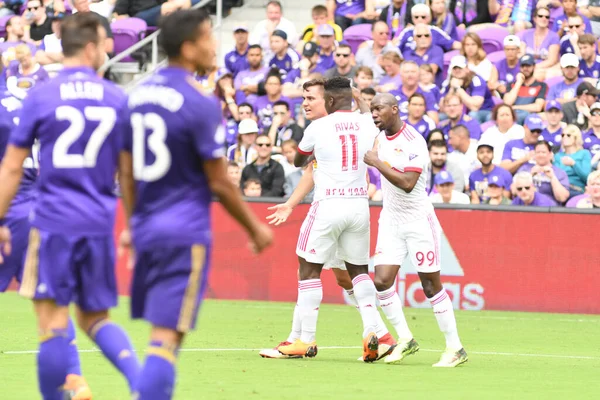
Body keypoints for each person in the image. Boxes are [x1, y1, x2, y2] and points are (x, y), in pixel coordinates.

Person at [119, 9, 273, 398]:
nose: (213, 45)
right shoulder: (200, 102)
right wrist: (255, 228)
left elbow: (126, 172)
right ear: (188, 48)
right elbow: (220, 182)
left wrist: (134, 225)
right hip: (183, 230)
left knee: (164, 337)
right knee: (166, 339)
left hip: (149, 227)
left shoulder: (136, 96)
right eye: (207, 37)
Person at [0, 12, 140, 399]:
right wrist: (133, 224)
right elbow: (127, 174)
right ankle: (140, 382)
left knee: (51, 322)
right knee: (96, 317)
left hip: (52, 220)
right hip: (98, 220)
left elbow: (12, 166)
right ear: (92, 48)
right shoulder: (116, 97)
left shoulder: (42, 95)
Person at [260, 78, 396, 361]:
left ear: (329, 100)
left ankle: (304, 341)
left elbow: (302, 164)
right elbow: (314, 170)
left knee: (308, 271)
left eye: (311, 98)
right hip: (359, 206)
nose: (306, 103)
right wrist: (290, 203)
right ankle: (377, 334)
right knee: (356, 273)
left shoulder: (317, 128)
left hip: (328, 206)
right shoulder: (366, 123)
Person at [365, 92, 468, 367]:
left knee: (430, 286)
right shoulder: (379, 137)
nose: (374, 114)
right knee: (382, 281)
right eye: (372, 109)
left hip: (418, 220)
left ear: (395, 110)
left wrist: (376, 162)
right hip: (390, 219)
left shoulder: (414, 142)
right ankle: (406, 338)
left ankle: (455, 347)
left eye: (379, 109)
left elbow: (409, 182)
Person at [554, 124, 593, 198]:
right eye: (563, 135)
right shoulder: (558, 156)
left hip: (576, 188)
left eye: (568, 135)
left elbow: (586, 177)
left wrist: (573, 164)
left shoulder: (584, 153)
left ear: (576, 138)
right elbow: (556, 175)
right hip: (560, 188)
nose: (564, 137)